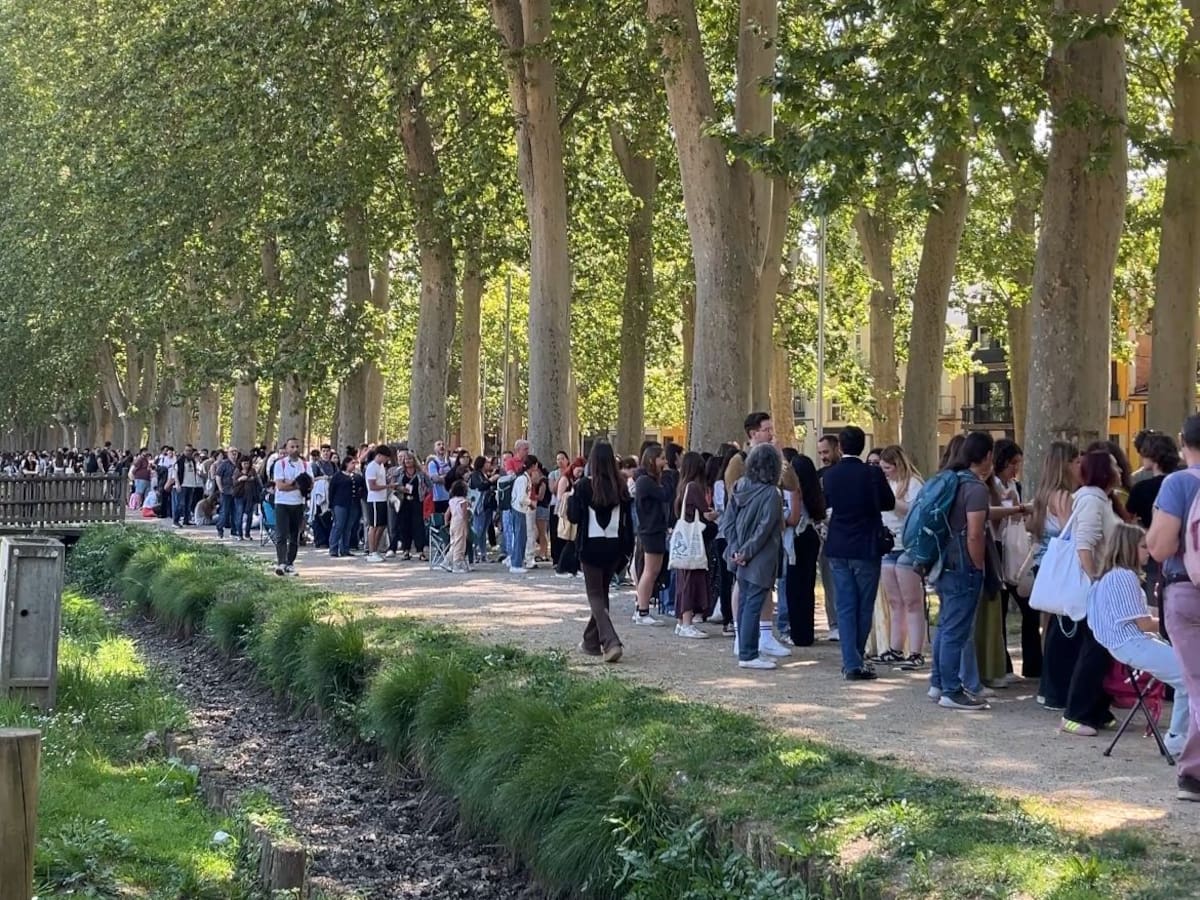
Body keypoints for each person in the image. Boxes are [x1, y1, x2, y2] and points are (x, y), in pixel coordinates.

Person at [1088, 522, 1188, 756]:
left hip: (1126, 644)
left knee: (1189, 677)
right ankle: (1178, 738)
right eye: (1143, 547)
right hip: (1133, 644)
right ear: (1129, 548)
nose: (1149, 552)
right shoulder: (1124, 577)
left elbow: (1139, 617)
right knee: (1192, 675)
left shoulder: (1107, 577)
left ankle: (1178, 738)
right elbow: (1143, 623)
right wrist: (1175, 621)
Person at [1146, 412, 1200, 801]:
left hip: (1187, 592)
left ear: (1184, 443)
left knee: (1197, 684)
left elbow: (1162, 547)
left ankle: (1194, 774)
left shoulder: (1178, 484)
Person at [1059, 450, 1126, 736]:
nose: (1120, 469)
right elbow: (1084, 544)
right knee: (1094, 651)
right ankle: (1075, 713)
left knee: (1102, 649)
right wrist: (1095, 579)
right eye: (1114, 466)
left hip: (1105, 582)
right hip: (1096, 586)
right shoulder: (1090, 500)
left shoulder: (1101, 500)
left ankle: (1097, 708)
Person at [822, 426, 896, 680]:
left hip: (838, 544)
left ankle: (850, 660)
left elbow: (826, 504)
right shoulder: (872, 473)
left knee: (844, 604)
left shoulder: (830, 475)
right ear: (862, 447)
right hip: (865, 544)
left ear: (840, 447)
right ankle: (855, 658)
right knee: (864, 605)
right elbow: (889, 502)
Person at [723, 413, 800, 657]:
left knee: (767, 585)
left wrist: (780, 459)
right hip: (749, 533)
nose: (771, 433)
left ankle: (765, 634)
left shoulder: (775, 461)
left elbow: (791, 484)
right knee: (744, 587)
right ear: (753, 433)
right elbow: (735, 494)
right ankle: (742, 636)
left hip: (769, 535)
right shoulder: (739, 461)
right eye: (766, 429)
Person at [929, 431, 994, 710]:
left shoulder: (950, 481)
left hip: (942, 561)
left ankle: (938, 682)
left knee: (945, 626)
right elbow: (975, 534)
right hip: (963, 565)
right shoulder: (976, 488)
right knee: (956, 630)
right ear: (988, 456)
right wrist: (978, 565)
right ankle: (952, 690)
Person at [567, 441, 634, 663]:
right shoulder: (621, 485)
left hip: (590, 546)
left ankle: (611, 640)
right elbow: (628, 521)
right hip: (614, 547)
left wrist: (571, 499)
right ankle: (590, 641)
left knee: (595, 595)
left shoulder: (584, 486)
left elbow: (574, 517)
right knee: (602, 593)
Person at [721, 443, 785, 670]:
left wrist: (736, 549)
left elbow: (727, 522)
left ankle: (747, 649)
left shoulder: (739, 486)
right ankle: (748, 654)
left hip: (739, 555)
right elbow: (765, 529)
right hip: (760, 557)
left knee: (746, 602)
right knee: (753, 604)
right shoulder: (771, 494)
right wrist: (746, 552)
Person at [1030, 441, 1082, 709]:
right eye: (1076, 461)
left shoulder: (1043, 493)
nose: (1080, 465)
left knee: (1049, 626)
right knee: (1061, 627)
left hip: (1045, 564)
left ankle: (1046, 683)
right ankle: (1053, 685)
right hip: (1060, 566)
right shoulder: (1064, 497)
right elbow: (1071, 532)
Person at [877, 445, 925, 668]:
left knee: (912, 601)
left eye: (887, 467)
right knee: (895, 601)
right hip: (889, 545)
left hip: (908, 546)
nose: (884, 471)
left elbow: (916, 511)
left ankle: (916, 651)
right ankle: (895, 647)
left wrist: (892, 502)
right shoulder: (885, 483)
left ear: (897, 466)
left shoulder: (914, 484)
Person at [1128, 433, 1180, 603]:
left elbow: (1128, 520)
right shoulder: (1183, 483)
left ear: (1152, 456)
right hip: (1181, 550)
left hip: (1152, 550)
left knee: (1153, 600)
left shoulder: (1140, 488)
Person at [781, 452, 826, 647]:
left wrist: (778, 519)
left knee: (794, 587)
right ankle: (806, 631)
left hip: (798, 536)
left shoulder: (795, 490)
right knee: (807, 587)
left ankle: (798, 633)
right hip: (810, 536)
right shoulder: (814, 490)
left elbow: (794, 518)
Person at [673, 451, 714, 639]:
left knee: (683, 580)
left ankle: (681, 621)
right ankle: (688, 621)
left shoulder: (682, 487)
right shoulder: (695, 488)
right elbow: (705, 513)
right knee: (691, 580)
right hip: (694, 540)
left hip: (684, 539)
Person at [633, 444, 669, 624]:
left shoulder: (648, 481)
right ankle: (642, 610)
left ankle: (642, 608)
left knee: (652, 571)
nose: (665, 462)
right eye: (661, 458)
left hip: (654, 529)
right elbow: (665, 495)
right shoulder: (646, 482)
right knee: (650, 571)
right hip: (651, 530)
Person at [816, 434, 842, 641]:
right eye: (820, 453)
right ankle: (834, 623)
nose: (823, 457)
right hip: (824, 530)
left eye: (826, 452)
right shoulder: (819, 475)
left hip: (845, 530)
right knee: (828, 579)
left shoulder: (844, 472)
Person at [272, 437, 307, 577]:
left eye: (297, 447)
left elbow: (307, 484)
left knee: (294, 535)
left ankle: (290, 563)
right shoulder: (280, 464)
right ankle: (281, 562)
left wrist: (291, 483)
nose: (295, 449)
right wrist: (296, 484)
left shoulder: (305, 465)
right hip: (282, 503)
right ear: (286, 449)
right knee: (281, 534)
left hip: (298, 503)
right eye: (292, 447)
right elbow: (280, 486)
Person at [328, 456, 364, 559]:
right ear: (346, 464)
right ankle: (333, 548)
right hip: (340, 504)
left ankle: (345, 548)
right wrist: (331, 505)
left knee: (348, 527)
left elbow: (362, 487)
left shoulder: (357, 476)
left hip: (353, 504)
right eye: (352, 463)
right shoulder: (337, 476)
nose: (354, 465)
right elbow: (332, 491)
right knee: (339, 526)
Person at [363, 445, 393, 563]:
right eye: (385, 458)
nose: (387, 460)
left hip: (382, 499)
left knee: (381, 525)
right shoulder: (371, 467)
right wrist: (388, 486)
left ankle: (376, 549)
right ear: (379, 455)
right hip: (374, 499)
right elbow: (372, 486)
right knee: (374, 526)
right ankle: (371, 551)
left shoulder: (381, 467)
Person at [509, 455, 538, 574]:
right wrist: (531, 503)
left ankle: (517, 561)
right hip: (519, 509)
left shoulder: (525, 478)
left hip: (521, 509)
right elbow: (522, 497)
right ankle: (516, 563)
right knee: (520, 537)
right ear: (533, 465)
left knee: (522, 536)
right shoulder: (523, 479)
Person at [396, 452, 427, 560]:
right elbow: (393, 484)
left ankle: (420, 551)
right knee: (404, 526)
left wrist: (423, 491)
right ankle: (406, 550)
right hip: (404, 502)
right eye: (406, 459)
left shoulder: (420, 473)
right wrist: (400, 488)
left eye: (410, 459)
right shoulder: (400, 472)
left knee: (418, 526)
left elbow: (429, 485)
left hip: (417, 501)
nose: (408, 461)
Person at [232, 458, 261, 541]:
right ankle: (239, 534)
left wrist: (250, 479)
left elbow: (256, 481)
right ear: (240, 463)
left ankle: (247, 533)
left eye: (247, 463)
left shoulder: (252, 471)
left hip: (250, 496)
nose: (246, 465)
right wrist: (240, 479)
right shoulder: (237, 471)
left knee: (249, 515)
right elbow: (234, 483)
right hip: (239, 495)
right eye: (244, 463)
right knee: (239, 514)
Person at [447, 480, 470, 573]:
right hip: (460, 522)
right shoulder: (463, 501)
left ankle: (447, 561)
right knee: (460, 543)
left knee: (453, 542)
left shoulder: (451, 501)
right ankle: (457, 564)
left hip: (453, 522)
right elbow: (464, 514)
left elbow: (447, 514)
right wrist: (466, 525)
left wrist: (446, 523)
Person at [427, 440, 453, 513]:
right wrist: (450, 477)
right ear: (435, 449)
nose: (441, 446)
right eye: (439, 445)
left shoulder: (452, 462)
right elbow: (436, 479)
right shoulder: (432, 463)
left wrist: (443, 477)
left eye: (443, 444)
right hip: (439, 499)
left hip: (452, 497)